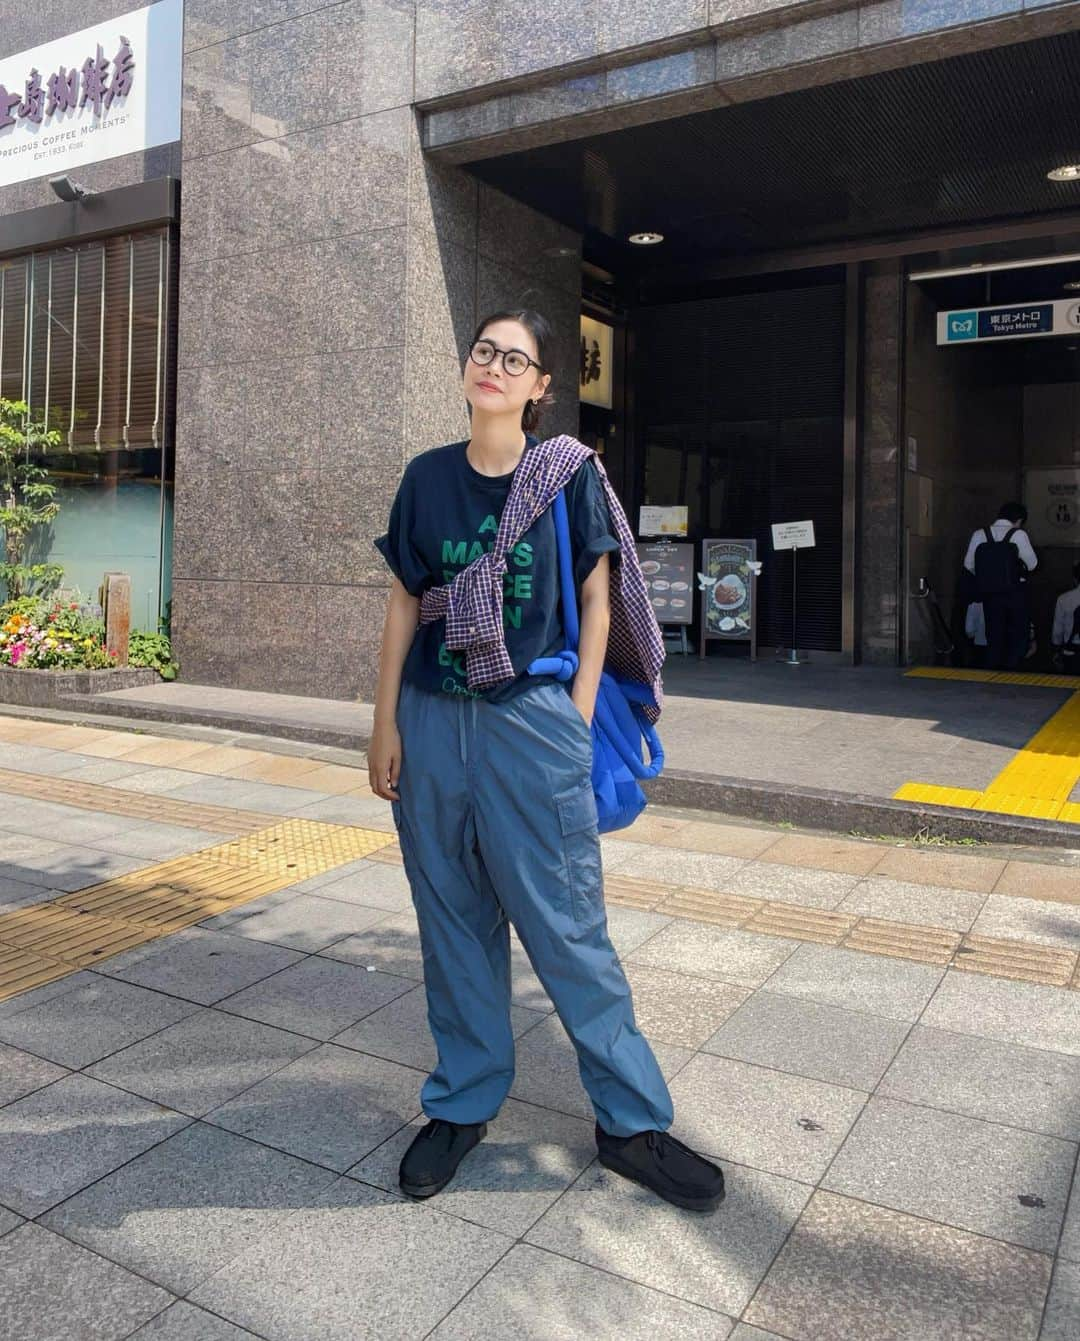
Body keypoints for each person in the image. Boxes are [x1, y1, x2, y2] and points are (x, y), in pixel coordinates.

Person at [370, 308, 725, 1213]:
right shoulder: (424, 479)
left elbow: (598, 599)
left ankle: (631, 1121)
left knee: (568, 926)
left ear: (539, 389)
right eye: (483, 351)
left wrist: (570, 717)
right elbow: (407, 606)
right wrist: (384, 724)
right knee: (452, 920)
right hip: (433, 714)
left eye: (514, 359)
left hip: (531, 716)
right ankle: (462, 1103)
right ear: (466, 370)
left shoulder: (563, 476)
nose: (494, 365)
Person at [963, 502, 1038, 670]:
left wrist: (988, 576)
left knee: (994, 635)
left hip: (989, 594)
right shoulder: (1018, 535)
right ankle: (1012, 670)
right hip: (1015, 593)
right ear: (1019, 520)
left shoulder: (979, 534)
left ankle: (994, 673)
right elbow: (1032, 565)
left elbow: (968, 564)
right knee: (1017, 635)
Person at [1051, 560, 1080, 674]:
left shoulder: (1063, 599)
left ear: (1075, 579)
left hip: (1071, 653)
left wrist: (1056, 650)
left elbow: (1057, 632)